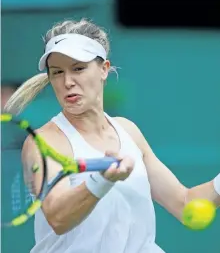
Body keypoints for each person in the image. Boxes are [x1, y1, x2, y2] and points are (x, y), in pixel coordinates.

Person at [5, 18, 220, 253]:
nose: (67, 82)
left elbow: (184, 203)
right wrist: (103, 180)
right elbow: (58, 217)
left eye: (78, 68)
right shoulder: (44, 142)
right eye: (57, 72)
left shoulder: (128, 131)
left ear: (104, 69)